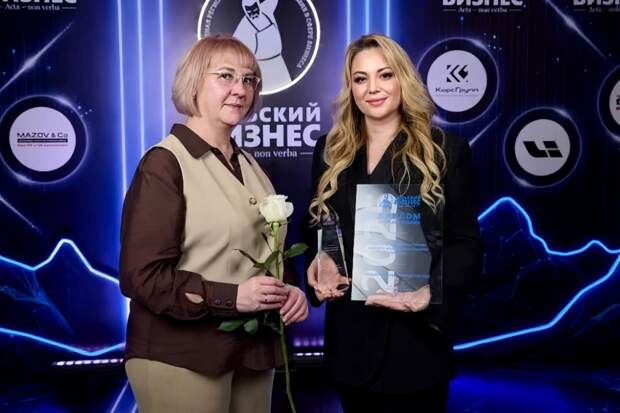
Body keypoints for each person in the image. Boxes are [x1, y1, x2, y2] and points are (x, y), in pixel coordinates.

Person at [119, 34, 308, 413]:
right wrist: (233, 297)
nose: (241, 89)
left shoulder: (249, 164)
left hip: (253, 352)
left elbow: (266, 251)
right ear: (193, 82)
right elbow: (141, 277)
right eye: (226, 76)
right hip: (183, 356)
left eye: (249, 79)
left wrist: (288, 290)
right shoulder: (164, 164)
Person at [304, 34, 482, 412]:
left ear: (403, 79)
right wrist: (323, 260)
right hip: (351, 345)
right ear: (350, 88)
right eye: (361, 78)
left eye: (384, 75)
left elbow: (465, 245)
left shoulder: (445, 151)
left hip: (417, 348)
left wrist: (430, 292)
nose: (373, 88)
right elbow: (320, 225)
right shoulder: (329, 151)